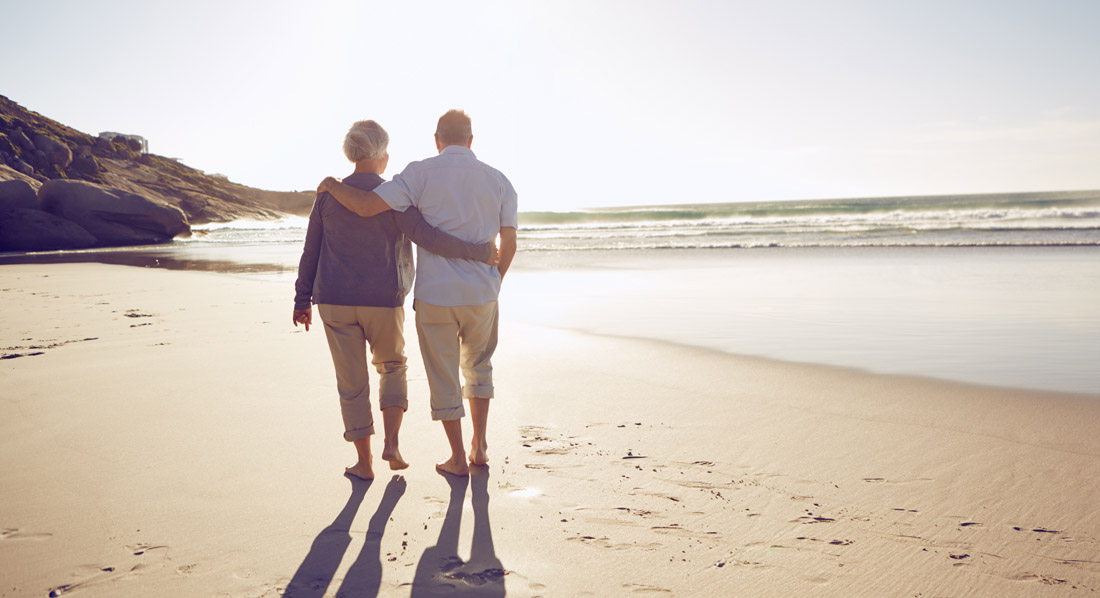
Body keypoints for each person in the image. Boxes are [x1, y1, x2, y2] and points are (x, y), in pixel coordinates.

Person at [294, 119, 499, 481]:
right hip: (384, 299)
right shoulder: (394, 195)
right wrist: (480, 252)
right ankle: (391, 443)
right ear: (381, 156)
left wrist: (302, 299)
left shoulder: (328, 195)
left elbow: (312, 250)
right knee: (391, 367)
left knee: (351, 381)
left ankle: (364, 462)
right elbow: (429, 238)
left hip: (334, 300)